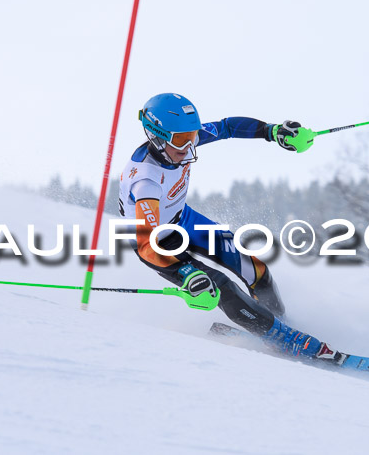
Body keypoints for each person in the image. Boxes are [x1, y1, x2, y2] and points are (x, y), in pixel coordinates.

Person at [118, 93, 344, 363]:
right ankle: (284, 340)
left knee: (256, 270)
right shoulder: (145, 180)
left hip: (183, 220)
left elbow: (227, 127)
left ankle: (279, 328)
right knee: (219, 285)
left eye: (192, 135)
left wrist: (272, 132)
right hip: (158, 244)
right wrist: (189, 275)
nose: (190, 145)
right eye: (181, 139)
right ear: (156, 135)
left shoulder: (181, 142)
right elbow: (146, 244)